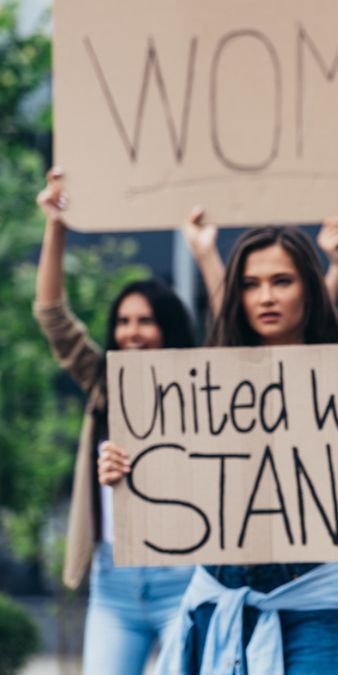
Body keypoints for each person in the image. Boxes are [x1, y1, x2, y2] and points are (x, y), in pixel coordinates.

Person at [99, 224, 338, 674]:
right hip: (223, 597)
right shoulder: (204, 386)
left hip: (315, 601)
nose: (265, 297)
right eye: (250, 284)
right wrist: (126, 471)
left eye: (282, 281)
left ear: (309, 290)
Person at [32, 167, 199, 674]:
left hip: (184, 576)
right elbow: (52, 316)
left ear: (169, 327)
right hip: (114, 580)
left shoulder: (203, 389)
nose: (131, 332)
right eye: (123, 322)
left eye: (145, 320)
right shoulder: (103, 381)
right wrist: (56, 226)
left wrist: (206, 251)